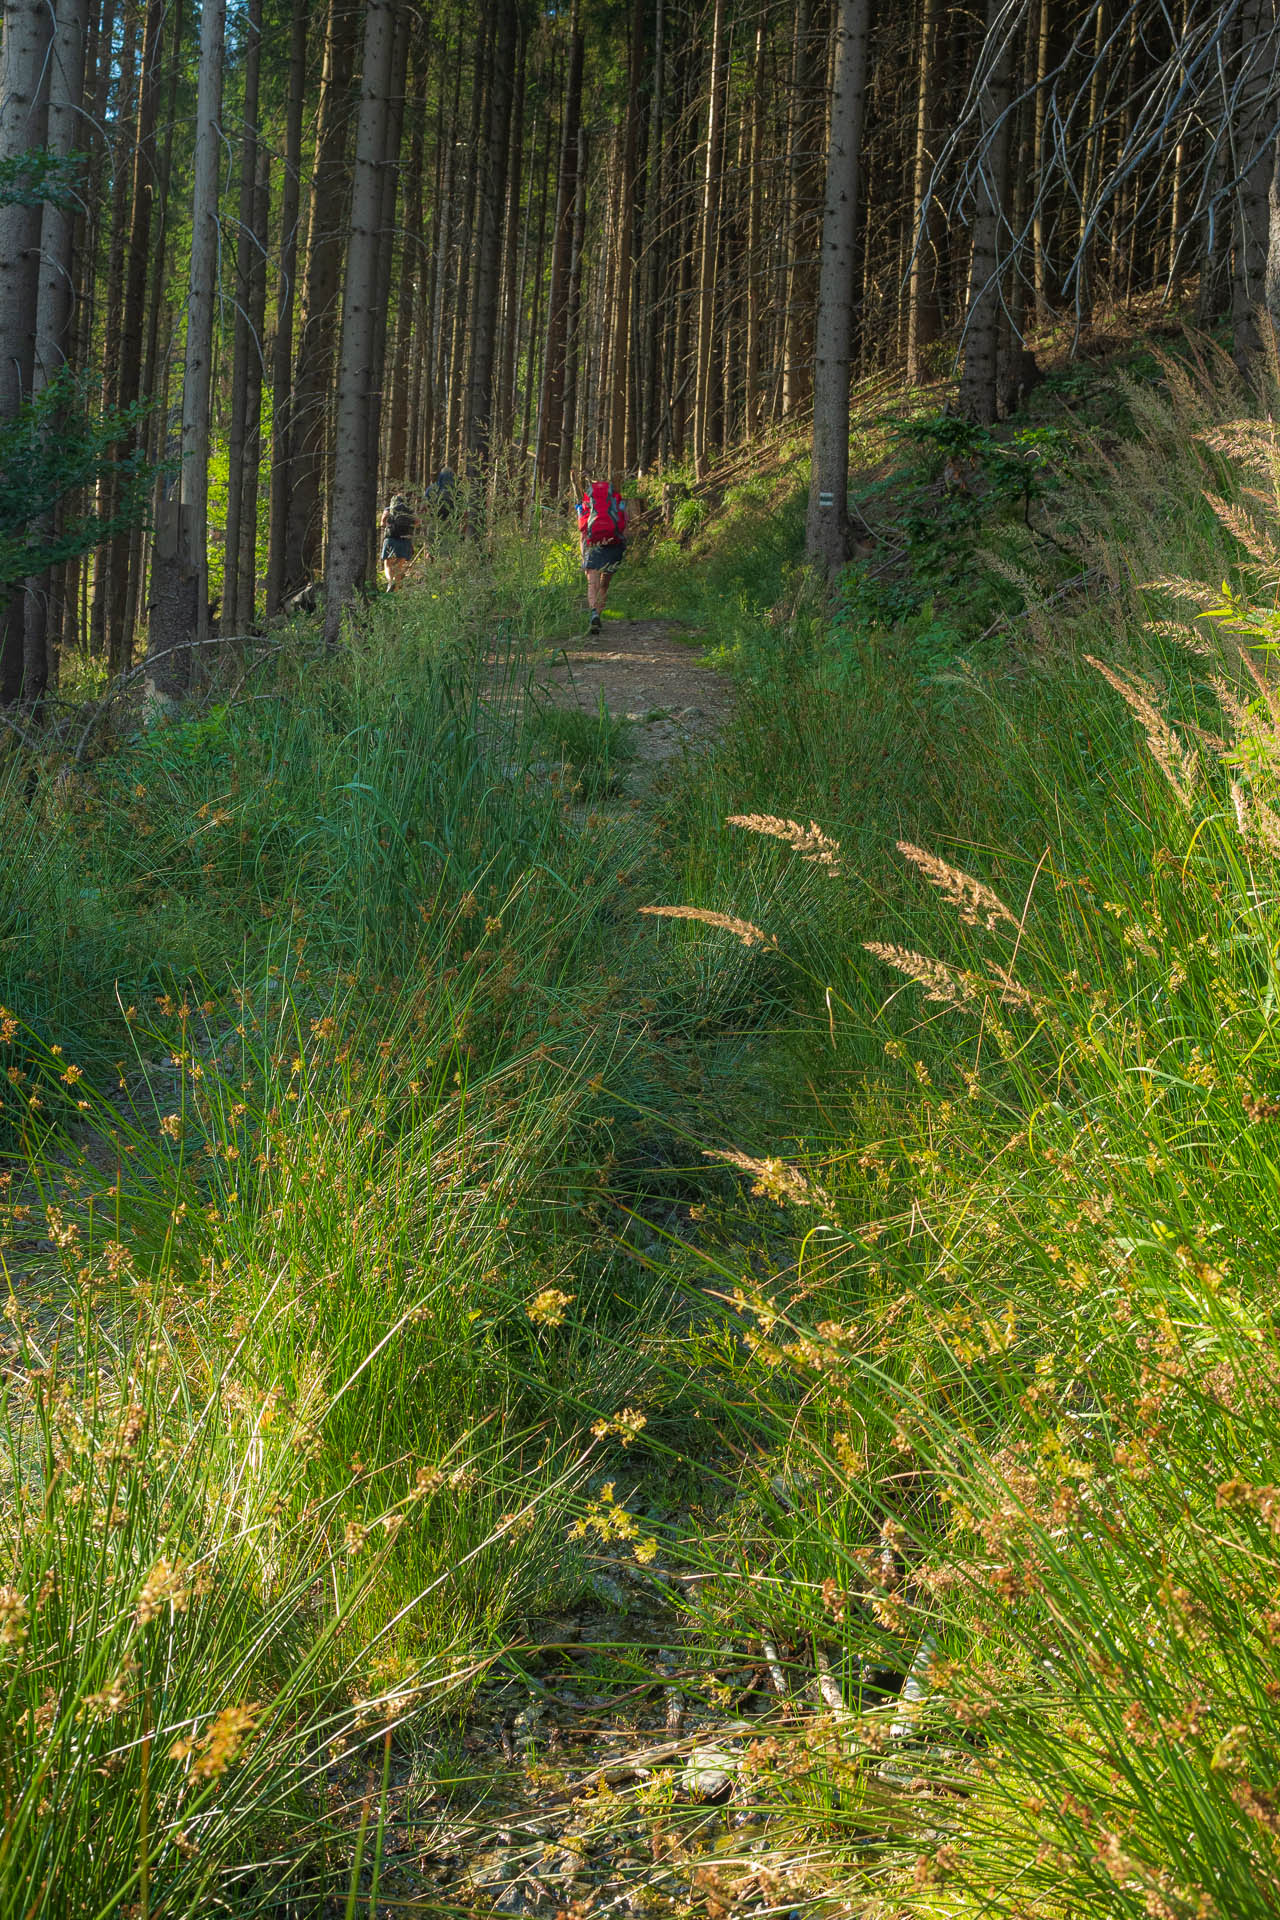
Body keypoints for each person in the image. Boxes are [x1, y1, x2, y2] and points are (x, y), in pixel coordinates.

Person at [577, 476, 628, 635]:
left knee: (592, 583)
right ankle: (598, 615)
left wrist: (582, 553)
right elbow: (624, 523)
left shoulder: (586, 502)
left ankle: (593, 612)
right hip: (613, 544)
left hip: (593, 545)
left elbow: (582, 528)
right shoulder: (617, 500)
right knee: (604, 584)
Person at [379, 492, 416, 591]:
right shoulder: (409, 511)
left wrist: (385, 525)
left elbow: (382, 521)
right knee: (399, 566)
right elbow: (417, 522)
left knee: (387, 563)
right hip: (405, 539)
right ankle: (396, 591)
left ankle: (390, 582)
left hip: (391, 538)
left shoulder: (388, 509)